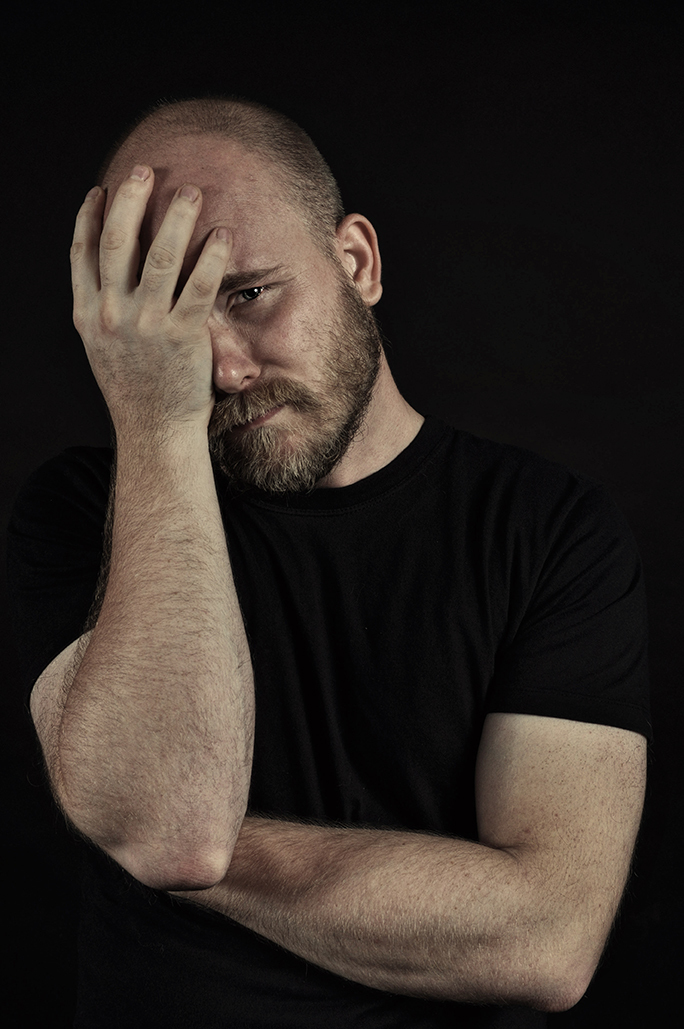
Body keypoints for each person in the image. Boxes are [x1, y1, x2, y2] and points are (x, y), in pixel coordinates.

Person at [7, 97, 651, 1029]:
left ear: (357, 261)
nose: (222, 370)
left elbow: (546, 940)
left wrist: (180, 848)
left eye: (248, 295)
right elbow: (172, 822)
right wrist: (157, 423)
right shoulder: (80, 511)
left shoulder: (549, 529)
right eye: (170, 326)